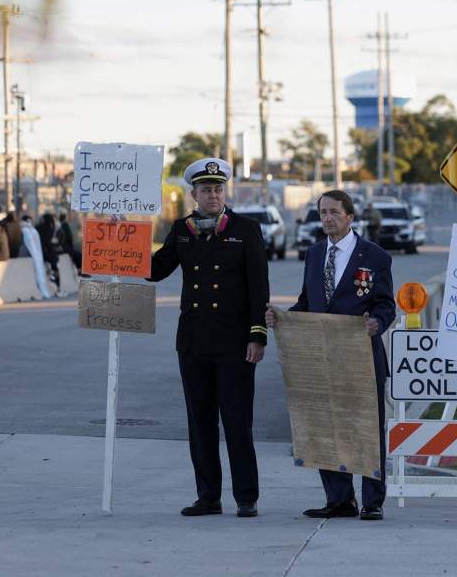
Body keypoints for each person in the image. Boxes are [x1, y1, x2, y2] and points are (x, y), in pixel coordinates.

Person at [148, 158, 269, 519]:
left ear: (224, 192)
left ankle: (246, 497)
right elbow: (156, 270)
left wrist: (257, 335)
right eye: (206, 190)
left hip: (235, 344)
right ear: (194, 195)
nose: (213, 195)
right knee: (199, 423)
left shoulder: (246, 229)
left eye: (218, 189)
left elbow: (258, 286)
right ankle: (208, 496)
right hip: (194, 343)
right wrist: (122, 244)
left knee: (236, 422)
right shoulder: (182, 229)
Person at [266, 189, 395, 521]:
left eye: (334, 212)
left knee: (365, 426)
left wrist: (377, 323)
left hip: (361, 355)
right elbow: (308, 304)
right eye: (322, 212)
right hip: (321, 357)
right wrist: (282, 318)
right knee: (326, 426)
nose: (327, 218)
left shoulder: (375, 256)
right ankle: (339, 499)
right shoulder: (313, 254)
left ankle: (372, 501)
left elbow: (385, 304)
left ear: (350, 216)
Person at [38, 213, 61, 287]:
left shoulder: (39, 227)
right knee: (55, 267)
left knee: (52, 266)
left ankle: (54, 280)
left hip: (43, 252)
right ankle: (57, 284)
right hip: (49, 252)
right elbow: (48, 242)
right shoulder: (51, 228)